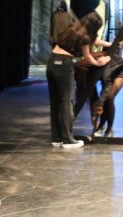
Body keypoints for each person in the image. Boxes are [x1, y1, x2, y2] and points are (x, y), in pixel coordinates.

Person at [47, 11, 110, 149]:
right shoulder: (85, 36)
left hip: (52, 62)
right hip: (64, 64)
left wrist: (108, 43)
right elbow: (88, 57)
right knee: (67, 101)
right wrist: (100, 62)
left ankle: (57, 138)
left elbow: (91, 41)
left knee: (56, 102)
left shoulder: (73, 28)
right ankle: (68, 140)